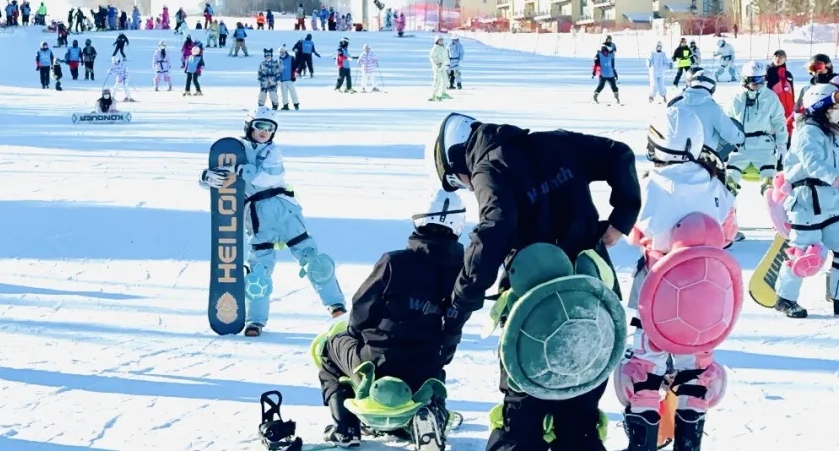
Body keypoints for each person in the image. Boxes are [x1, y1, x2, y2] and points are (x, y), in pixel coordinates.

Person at [429, 112, 642, 451]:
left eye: (458, 181)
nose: (467, 188)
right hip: (593, 296)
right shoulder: (555, 141)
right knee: (581, 405)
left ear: (458, 157)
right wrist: (622, 217)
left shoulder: (489, 169)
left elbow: (492, 234)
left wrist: (459, 304)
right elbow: (618, 153)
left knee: (523, 412)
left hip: (536, 310)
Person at [619, 107, 738, 451]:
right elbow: (729, 232)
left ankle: (641, 442)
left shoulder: (653, 185)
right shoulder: (716, 183)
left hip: (658, 297)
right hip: (708, 299)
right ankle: (688, 443)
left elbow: (635, 233)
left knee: (645, 371)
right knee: (695, 373)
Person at [312, 188, 466, 448]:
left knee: (328, 348)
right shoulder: (464, 273)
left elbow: (361, 309)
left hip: (379, 360)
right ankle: (431, 415)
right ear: (459, 224)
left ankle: (345, 428)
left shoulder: (394, 262)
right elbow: (456, 320)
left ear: (418, 218)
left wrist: (354, 334)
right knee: (432, 376)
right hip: (428, 363)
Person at [198, 107, 346, 336]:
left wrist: (239, 169)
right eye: (260, 126)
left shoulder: (272, 151)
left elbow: (269, 176)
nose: (264, 131)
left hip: (283, 211)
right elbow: (217, 181)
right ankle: (255, 320)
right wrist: (206, 177)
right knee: (259, 272)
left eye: (270, 128)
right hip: (257, 218)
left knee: (313, 260)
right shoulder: (234, 149)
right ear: (249, 126)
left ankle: (336, 306)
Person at [770, 78, 839, 318]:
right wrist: (835, 177)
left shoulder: (832, 132)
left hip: (831, 201)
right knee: (803, 252)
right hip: (806, 201)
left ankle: (838, 296)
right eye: (834, 108)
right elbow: (812, 163)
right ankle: (785, 298)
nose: (837, 112)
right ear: (821, 107)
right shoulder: (808, 131)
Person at [725, 61, 787, 193]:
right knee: (731, 172)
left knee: (769, 172)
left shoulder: (770, 97)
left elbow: (779, 122)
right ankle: (728, 196)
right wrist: (724, 145)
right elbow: (727, 122)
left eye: (762, 79)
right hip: (741, 144)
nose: (759, 83)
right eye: (755, 80)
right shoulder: (736, 98)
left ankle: (769, 190)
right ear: (745, 79)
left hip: (764, 144)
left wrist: (781, 144)